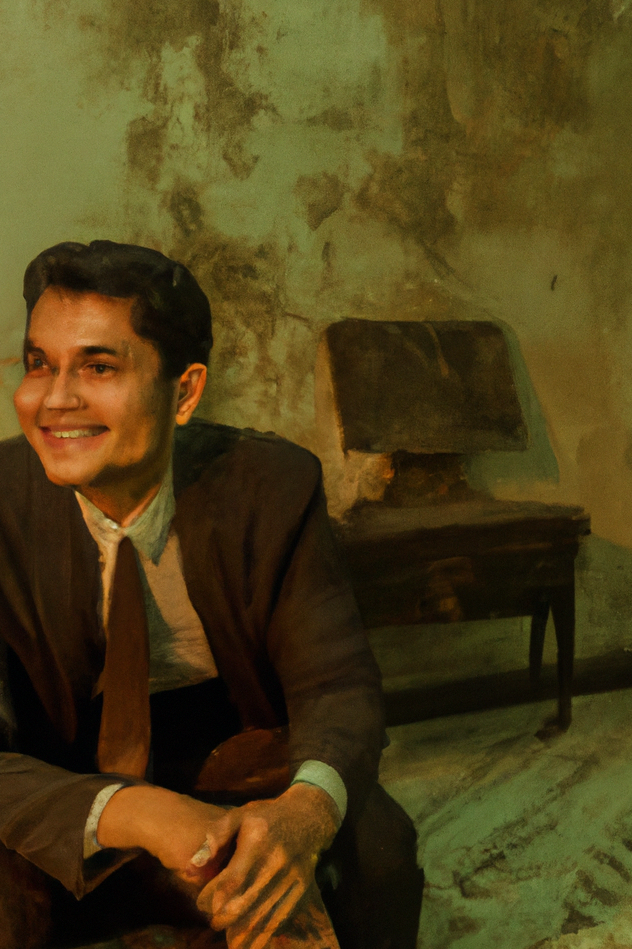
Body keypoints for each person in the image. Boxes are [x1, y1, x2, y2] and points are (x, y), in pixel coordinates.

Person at [0, 241, 423, 948]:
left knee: (376, 848)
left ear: (186, 392)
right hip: (59, 774)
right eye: (41, 363)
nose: (53, 399)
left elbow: (339, 685)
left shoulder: (271, 486)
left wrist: (302, 815)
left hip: (229, 749)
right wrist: (143, 815)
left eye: (98, 367)